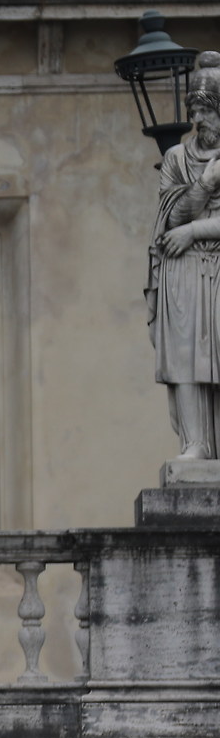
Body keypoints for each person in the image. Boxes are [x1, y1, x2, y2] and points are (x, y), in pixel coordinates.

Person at [149, 51, 220, 461]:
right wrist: (207, 185)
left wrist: (193, 230)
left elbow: (183, 225)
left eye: (208, 111)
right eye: (195, 110)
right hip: (184, 270)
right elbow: (170, 216)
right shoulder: (177, 158)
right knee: (186, 358)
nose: (200, 120)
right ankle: (195, 443)